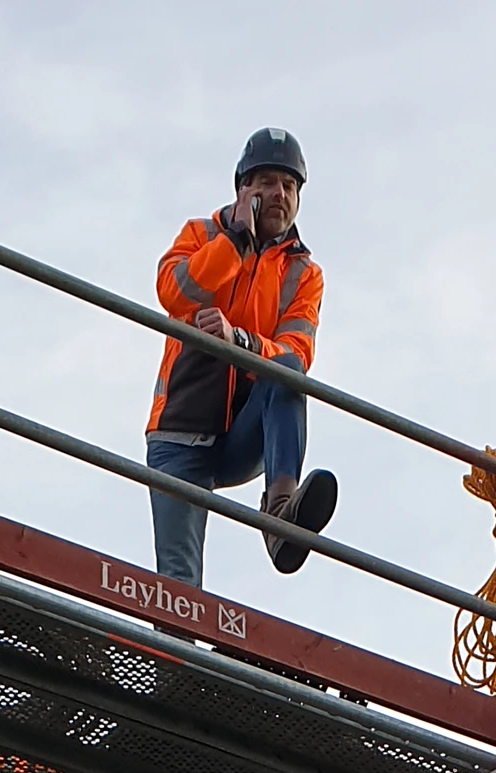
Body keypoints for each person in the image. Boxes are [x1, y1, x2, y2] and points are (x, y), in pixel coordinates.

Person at [145, 126, 334, 587]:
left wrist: (241, 342)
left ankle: (281, 517)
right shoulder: (200, 234)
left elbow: (296, 350)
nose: (279, 194)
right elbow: (173, 292)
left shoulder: (303, 273)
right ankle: (176, 637)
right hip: (180, 434)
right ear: (243, 189)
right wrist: (234, 242)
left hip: (241, 433)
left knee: (288, 372)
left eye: (289, 185)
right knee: (179, 579)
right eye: (267, 182)